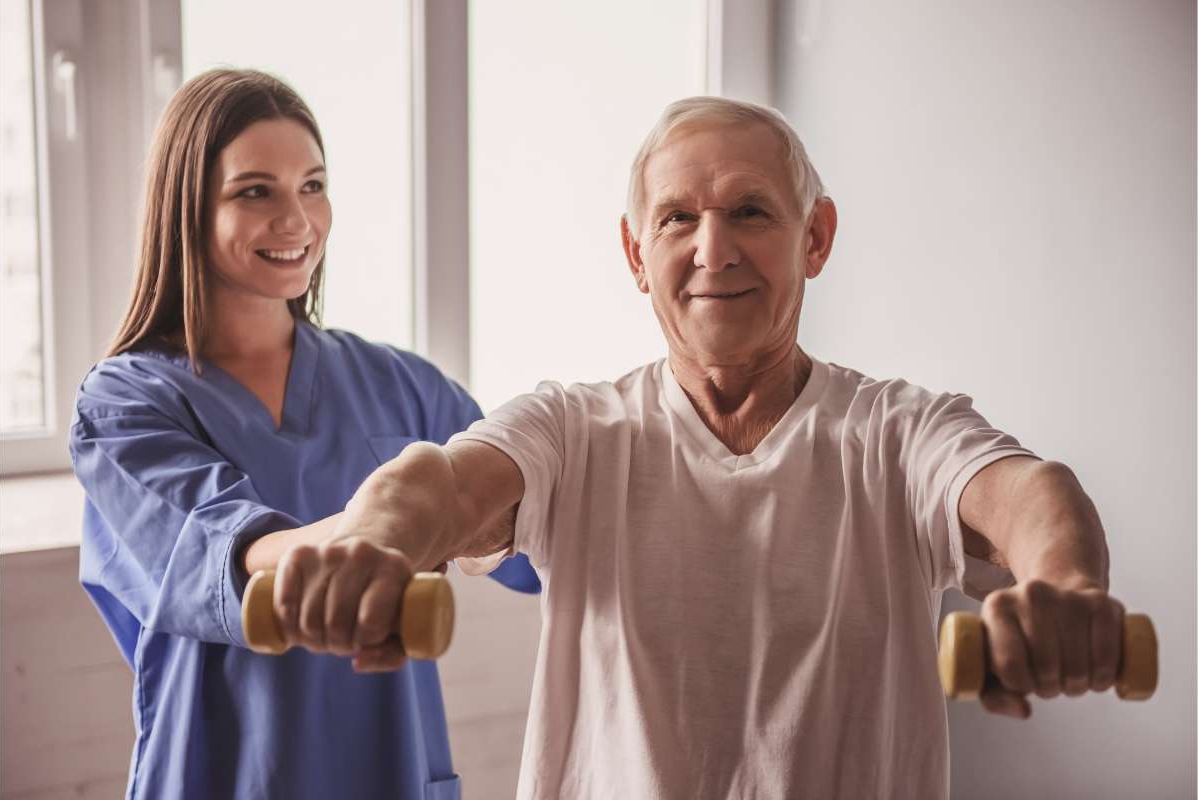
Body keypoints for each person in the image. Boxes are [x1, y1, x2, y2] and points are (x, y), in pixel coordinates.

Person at [246, 97, 1126, 799]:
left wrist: (1064, 584)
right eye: (677, 219)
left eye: (750, 210)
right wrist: (372, 542)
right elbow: (440, 484)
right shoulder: (574, 429)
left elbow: (1026, 492)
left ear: (813, 238)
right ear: (637, 252)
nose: (714, 250)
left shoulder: (895, 432)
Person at [68, 68, 538, 800]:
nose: (297, 219)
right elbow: (220, 539)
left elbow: (536, 541)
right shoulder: (124, 403)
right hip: (221, 773)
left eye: (312, 186)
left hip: (394, 769)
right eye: (256, 191)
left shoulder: (403, 384)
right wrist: (371, 543)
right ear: (188, 207)